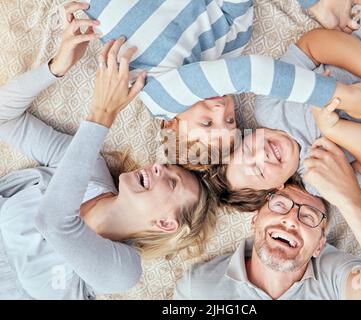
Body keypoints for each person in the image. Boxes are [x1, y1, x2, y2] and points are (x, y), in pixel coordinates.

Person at [0, 3, 216, 300]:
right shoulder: (87, 168)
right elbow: (3, 117)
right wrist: (57, 67)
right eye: (166, 166)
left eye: (171, 181)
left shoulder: (123, 269)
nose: (157, 166)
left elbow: (55, 222)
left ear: (166, 223)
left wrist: (102, 114)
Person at [84, 0, 361, 163]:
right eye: (231, 119)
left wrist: (339, 95)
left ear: (172, 126)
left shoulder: (160, 97)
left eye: (208, 123)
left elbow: (250, 73)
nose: (222, 108)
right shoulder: (227, 48)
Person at [205, 2, 361, 209]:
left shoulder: (270, 106)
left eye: (248, 149)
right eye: (260, 171)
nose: (263, 155)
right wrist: (334, 129)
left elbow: (312, 45)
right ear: (277, 188)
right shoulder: (318, 179)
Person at [173, 137, 361, 300]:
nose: (291, 220)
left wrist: (351, 200)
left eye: (309, 217)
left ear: (319, 245)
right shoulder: (200, 287)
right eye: (280, 205)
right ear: (255, 219)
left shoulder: (334, 277)